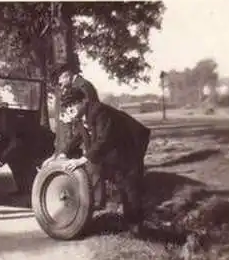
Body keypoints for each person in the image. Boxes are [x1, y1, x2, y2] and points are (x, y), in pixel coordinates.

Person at [45, 86, 151, 233]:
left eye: (73, 104)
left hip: (132, 141)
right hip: (116, 144)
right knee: (117, 178)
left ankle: (136, 226)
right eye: (67, 106)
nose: (70, 109)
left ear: (83, 101)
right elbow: (78, 136)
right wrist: (63, 153)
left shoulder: (99, 111)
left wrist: (83, 159)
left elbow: (104, 139)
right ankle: (125, 216)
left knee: (130, 181)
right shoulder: (82, 116)